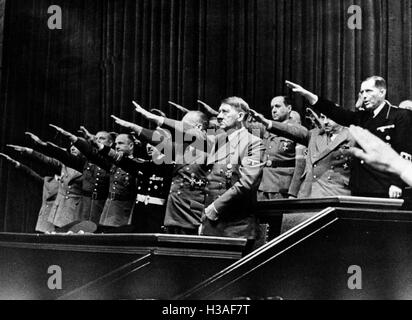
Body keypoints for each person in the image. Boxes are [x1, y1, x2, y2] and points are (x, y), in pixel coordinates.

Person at [133, 97, 265, 248]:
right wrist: (158, 120)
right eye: (219, 111)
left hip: (236, 228)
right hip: (211, 225)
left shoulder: (253, 142)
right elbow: (190, 132)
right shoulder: (218, 140)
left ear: (240, 116)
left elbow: (247, 183)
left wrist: (215, 208)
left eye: (225, 111)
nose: (220, 115)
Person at [286, 77, 412, 198]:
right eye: (362, 92)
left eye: (368, 91)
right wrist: (308, 95)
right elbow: (335, 111)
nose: (364, 96)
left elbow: (404, 153)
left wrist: (397, 184)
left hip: (385, 188)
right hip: (360, 187)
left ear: (382, 92)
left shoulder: (400, 116)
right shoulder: (362, 118)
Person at [112, 110, 210, 235]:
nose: (178, 128)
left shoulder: (209, 147)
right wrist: (136, 128)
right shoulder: (184, 149)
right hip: (174, 214)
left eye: (182, 125)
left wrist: (139, 125)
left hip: (192, 216)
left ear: (198, 127)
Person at [250, 109, 353, 198]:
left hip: (336, 192)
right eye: (322, 117)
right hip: (310, 191)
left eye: (330, 118)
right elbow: (289, 130)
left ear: (341, 118)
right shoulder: (314, 134)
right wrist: (267, 122)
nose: (325, 122)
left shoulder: (352, 136)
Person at [0, 152, 58, 233]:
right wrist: (18, 164)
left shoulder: (68, 183)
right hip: (45, 219)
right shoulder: (48, 180)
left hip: (58, 221)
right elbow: (31, 174)